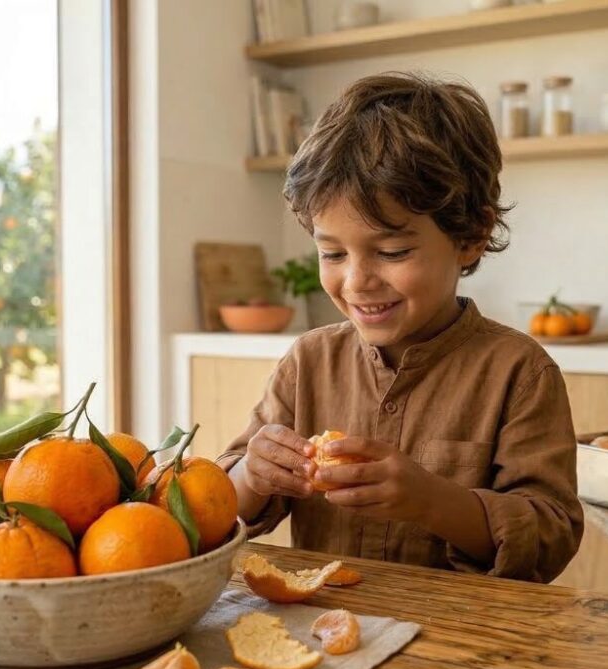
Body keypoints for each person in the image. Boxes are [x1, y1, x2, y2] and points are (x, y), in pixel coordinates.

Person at [219, 72, 582, 582]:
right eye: (332, 253)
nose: (357, 281)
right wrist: (252, 475)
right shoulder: (308, 363)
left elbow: (551, 535)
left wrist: (432, 502)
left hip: (459, 639)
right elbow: (218, 507)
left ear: (471, 237)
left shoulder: (520, 373)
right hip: (329, 634)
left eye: (392, 252)